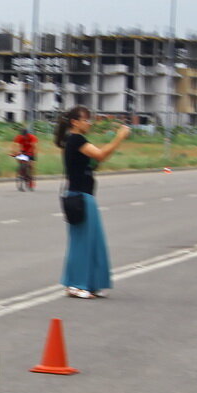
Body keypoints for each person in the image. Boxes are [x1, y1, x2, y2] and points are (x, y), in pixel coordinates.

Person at [55, 107, 130, 299]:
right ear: (75, 122)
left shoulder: (75, 141)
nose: (89, 123)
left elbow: (94, 161)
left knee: (92, 243)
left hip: (84, 196)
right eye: (86, 120)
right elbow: (100, 155)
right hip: (80, 197)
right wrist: (119, 137)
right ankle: (76, 285)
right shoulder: (76, 139)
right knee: (82, 243)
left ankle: (90, 284)